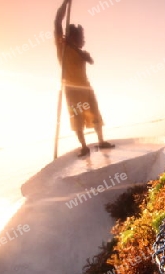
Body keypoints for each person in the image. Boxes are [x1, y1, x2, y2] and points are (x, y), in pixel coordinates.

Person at [54, 0, 114, 157]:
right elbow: (57, 22)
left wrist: (80, 52)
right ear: (74, 37)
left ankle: (101, 141)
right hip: (72, 90)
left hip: (85, 88)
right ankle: (84, 146)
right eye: (81, 37)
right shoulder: (62, 47)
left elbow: (91, 61)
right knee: (77, 118)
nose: (83, 40)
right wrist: (65, 4)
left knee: (95, 114)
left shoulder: (81, 52)